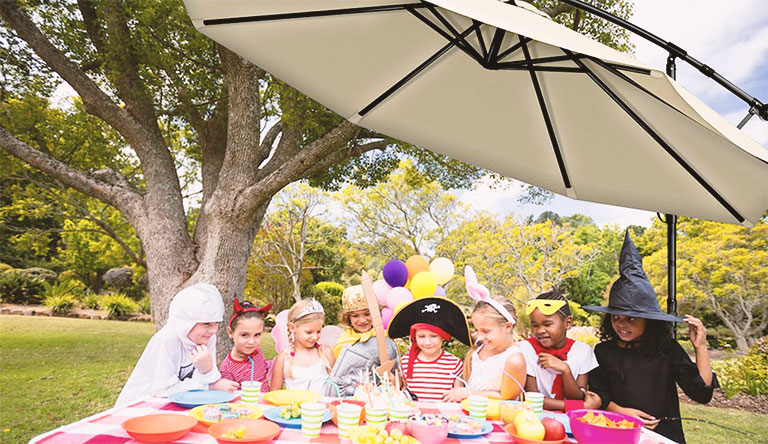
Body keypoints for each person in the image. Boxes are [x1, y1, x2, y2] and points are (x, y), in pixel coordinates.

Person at [583, 231, 717, 444]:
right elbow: (600, 395)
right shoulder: (603, 351)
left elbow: (701, 393)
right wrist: (623, 412)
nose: (621, 324)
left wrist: (700, 347)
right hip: (618, 431)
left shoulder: (667, 349)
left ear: (649, 320)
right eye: (616, 317)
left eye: (631, 319)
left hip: (664, 436)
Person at [115, 283, 238, 407]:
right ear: (186, 322)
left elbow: (210, 378)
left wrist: (208, 371)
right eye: (206, 323)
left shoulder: (208, 337)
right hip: (140, 405)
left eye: (216, 323)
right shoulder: (167, 339)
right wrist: (208, 386)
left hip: (179, 403)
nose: (213, 330)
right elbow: (162, 389)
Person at [443, 266, 526, 402]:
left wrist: (467, 393)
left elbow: (506, 398)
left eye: (486, 331)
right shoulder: (479, 349)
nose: (479, 336)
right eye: (477, 329)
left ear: (508, 326)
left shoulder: (513, 360)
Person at [520, 290, 601, 412]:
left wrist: (565, 370)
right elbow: (532, 399)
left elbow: (577, 396)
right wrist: (580, 407)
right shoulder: (526, 348)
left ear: (568, 323)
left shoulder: (582, 351)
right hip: (537, 415)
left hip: (571, 418)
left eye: (547, 324)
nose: (540, 330)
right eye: (535, 325)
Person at [387, 297, 472, 401]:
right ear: (415, 337)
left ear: (443, 337)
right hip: (415, 414)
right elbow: (403, 388)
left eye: (434, 336)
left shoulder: (454, 364)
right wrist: (394, 382)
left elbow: (457, 397)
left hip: (443, 415)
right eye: (421, 336)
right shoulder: (406, 361)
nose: (427, 342)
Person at [329, 285, 399, 396]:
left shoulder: (386, 339)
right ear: (348, 318)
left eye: (367, 314)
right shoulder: (343, 343)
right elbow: (337, 381)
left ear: (376, 313)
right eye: (355, 316)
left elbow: (398, 373)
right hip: (352, 400)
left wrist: (396, 380)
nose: (362, 320)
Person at [270, 299, 335, 392]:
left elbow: (335, 388)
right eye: (309, 332)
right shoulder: (283, 359)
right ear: (292, 327)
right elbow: (274, 393)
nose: (315, 337)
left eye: (318, 331)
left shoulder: (326, 352)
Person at [219, 298, 272, 392]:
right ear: (230, 332)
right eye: (244, 335)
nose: (251, 342)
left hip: (266, 405)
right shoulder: (227, 369)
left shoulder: (257, 352)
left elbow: (263, 367)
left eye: (257, 335)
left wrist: (279, 361)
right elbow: (227, 398)